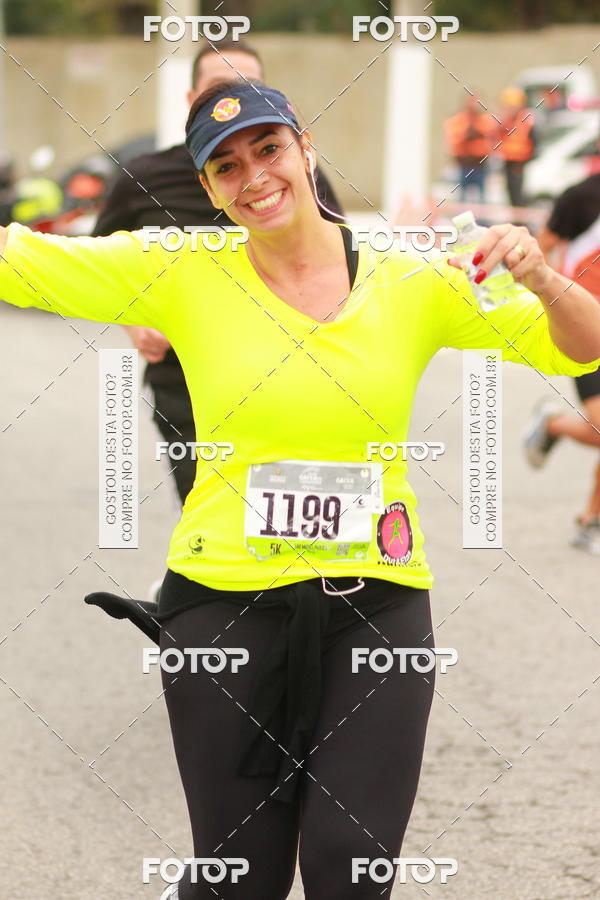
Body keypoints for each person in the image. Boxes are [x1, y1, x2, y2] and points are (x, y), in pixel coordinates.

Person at [1, 80, 600, 899]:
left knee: (350, 871)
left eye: (268, 148)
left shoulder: (411, 278)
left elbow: (578, 348)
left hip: (375, 602)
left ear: (304, 147)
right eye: (226, 166)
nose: (254, 176)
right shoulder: (178, 269)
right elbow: (20, 261)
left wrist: (539, 276)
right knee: (239, 879)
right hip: (224, 603)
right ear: (208, 188)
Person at [93, 39, 344, 508]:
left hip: (288, 378)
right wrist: (133, 320)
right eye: (225, 168)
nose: (234, 98)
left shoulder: (300, 176)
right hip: (185, 385)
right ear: (192, 99)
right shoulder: (142, 177)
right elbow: (102, 265)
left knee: (295, 518)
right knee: (209, 511)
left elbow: (343, 260)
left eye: (248, 85)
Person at [524, 171, 600, 553]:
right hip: (588, 329)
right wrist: (557, 295)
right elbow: (541, 248)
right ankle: (552, 424)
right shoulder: (583, 196)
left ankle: (591, 520)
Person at [444, 94, 496, 202]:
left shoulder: (485, 120)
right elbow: (454, 136)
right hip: (464, 164)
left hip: (480, 165)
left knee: (482, 199)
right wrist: (467, 133)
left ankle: (480, 214)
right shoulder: (459, 119)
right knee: (461, 198)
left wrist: (478, 132)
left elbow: (491, 135)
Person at [497, 87, 536, 210]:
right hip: (508, 162)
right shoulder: (505, 121)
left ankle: (521, 219)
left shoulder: (527, 120)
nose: (509, 109)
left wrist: (527, 161)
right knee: (511, 194)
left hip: (520, 164)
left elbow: (534, 142)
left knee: (519, 195)